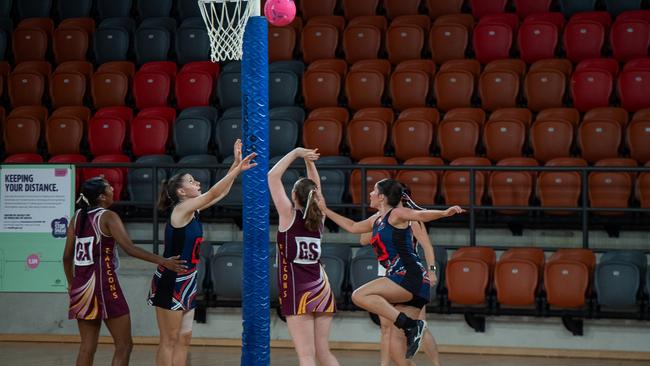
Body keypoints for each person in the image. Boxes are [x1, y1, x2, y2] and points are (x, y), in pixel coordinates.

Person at [316, 178, 463, 361]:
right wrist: (325, 210)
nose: (370, 193)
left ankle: (412, 326)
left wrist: (445, 213)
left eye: (373, 191)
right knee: (395, 342)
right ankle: (411, 326)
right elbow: (352, 226)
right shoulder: (376, 219)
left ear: (382, 197)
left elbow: (421, 216)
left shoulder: (397, 214)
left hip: (409, 276)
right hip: (406, 281)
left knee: (359, 295)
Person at [148, 139, 256, 366]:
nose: (196, 182)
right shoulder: (181, 209)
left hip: (188, 279)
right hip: (171, 279)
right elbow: (213, 192)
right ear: (180, 191)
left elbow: (220, 194)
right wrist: (237, 168)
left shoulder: (193, 209)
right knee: (169, 339)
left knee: (184, 338)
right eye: (190, 181)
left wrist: (235, 166)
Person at [63, 177, 187, 366]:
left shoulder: (76, 218)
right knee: (124, 345)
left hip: (81, 288)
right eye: (109, 187)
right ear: (102, 197)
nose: (113, 189)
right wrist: (163, 261)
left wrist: (71, 283)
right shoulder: (108, 216)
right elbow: (129, 248)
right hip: (104, 286)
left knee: (87, 346)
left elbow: (66, 257)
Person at [268, 147, 340, 366]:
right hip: (322, 287)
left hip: (298, 290)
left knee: (306, 356)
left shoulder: (288, 215)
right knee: (323, 352)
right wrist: (309, 162)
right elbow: (316, 189)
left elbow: (272, 176)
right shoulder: (320, 217)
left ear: (293, 196)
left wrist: (297, 153)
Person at [361, 187, 442, 366]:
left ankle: (436, 364)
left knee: (421, 324)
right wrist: (377, 218)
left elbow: (427, 246)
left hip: (409, 274)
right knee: (386, 327)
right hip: (387, 272)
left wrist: (432, 270)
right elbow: (362, 239)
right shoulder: (381, 218)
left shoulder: (411, 219)